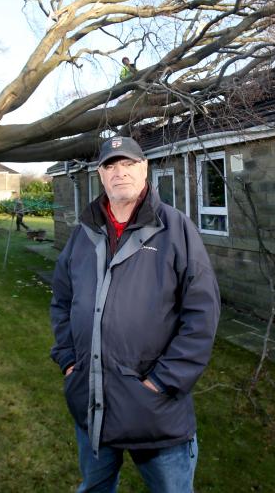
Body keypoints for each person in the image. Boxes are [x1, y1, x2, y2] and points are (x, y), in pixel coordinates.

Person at [49, 136, 220, 493]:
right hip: (92, 403)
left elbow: (201, 314)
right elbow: (62, 300)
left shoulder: (175, 229)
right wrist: (68, 360)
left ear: (145, 169)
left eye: (128, 163)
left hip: (155, 412)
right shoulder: (84, 233)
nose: (119, 172)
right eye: (110, 165)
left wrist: (162, 382)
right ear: (100, 174)